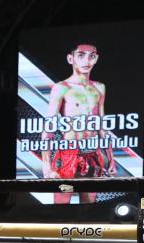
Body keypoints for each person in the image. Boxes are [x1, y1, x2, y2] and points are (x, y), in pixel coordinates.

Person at [41, 43, 116, 204]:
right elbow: (49, 128)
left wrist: (111, 158)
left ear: (96, 59)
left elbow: (102, 126)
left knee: (89, 207)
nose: (87, 61)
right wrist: (46, 166)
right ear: (71, 58)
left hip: (93, 153)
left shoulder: (99, 87)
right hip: (68, 152)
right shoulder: (61, 88)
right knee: (61, 204)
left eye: (91, 56)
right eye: (81, 55)